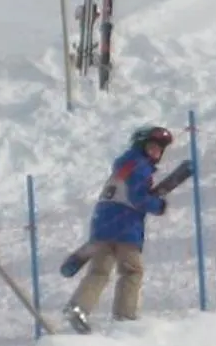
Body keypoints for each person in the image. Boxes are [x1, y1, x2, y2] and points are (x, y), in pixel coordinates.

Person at [61, 125, 175, 331]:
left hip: (102, 226)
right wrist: (158, 205)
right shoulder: (140, 166)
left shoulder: (124, 166)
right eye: (152, 147)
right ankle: (125, 318)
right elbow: (138, 197)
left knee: (99, 271)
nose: (156, 152)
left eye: (159, 149)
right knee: (132, 271)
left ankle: (78, 307)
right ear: (141, 145)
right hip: (125, 227)